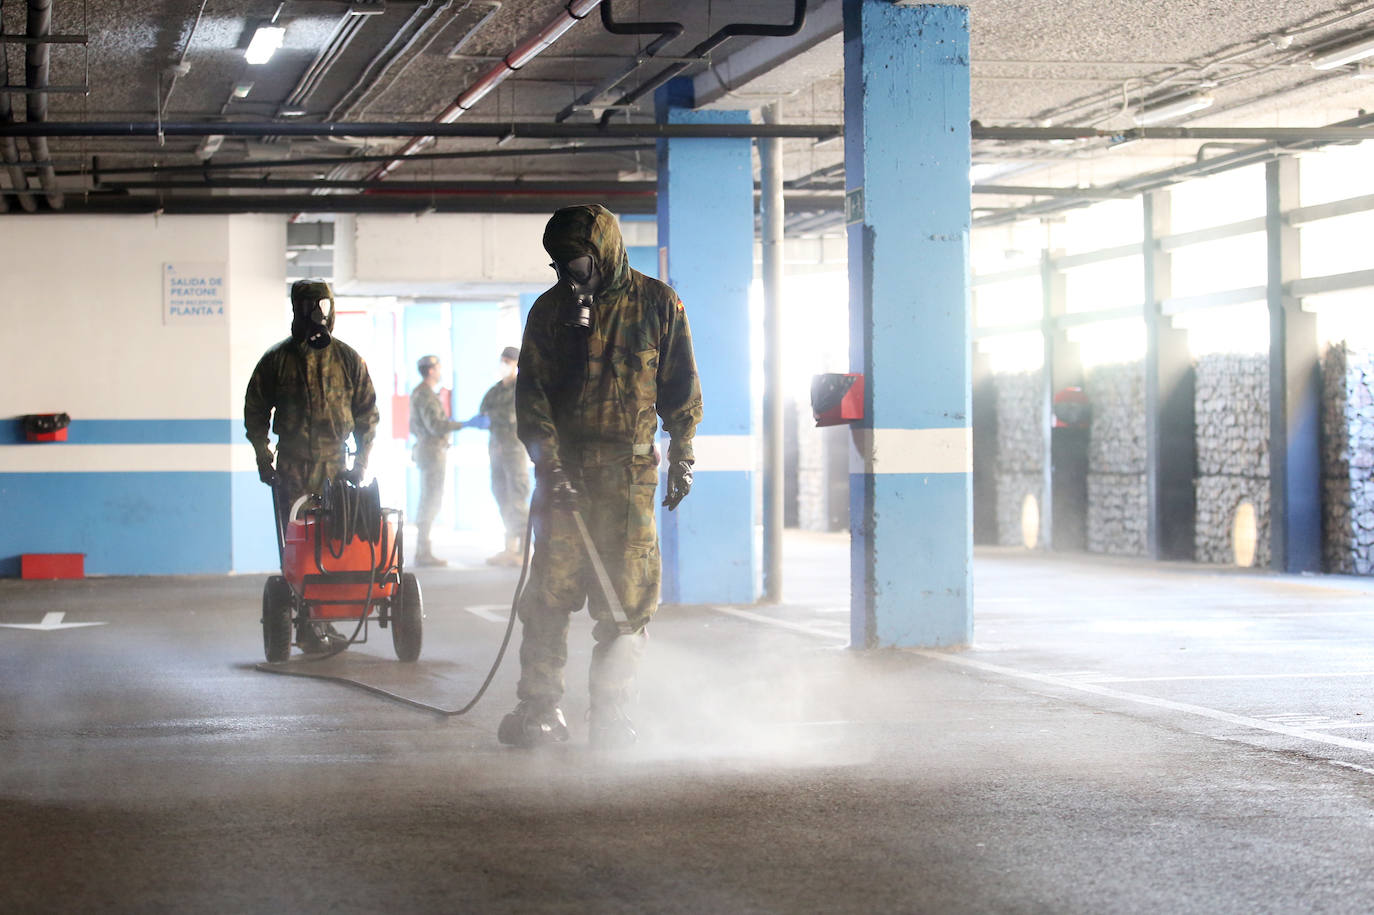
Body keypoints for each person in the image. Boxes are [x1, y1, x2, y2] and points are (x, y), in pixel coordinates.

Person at [498, 204, 701, 749]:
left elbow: (681, 386)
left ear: (605, 253)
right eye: (560, 263)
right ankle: (540, 710)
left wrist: (682, 453)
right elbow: (532, 396)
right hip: (563, 476)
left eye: (579, 262)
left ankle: (610, 715)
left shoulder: (658, 304)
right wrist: (548, 462)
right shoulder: (549, 312)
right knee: (549, 595)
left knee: (627, 601)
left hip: (629, 479)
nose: (570, 273)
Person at [244, 278, 379, 653]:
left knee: (334, 543)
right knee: (299, 547)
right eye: (310, 307)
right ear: (297, 311)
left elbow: (367, 415)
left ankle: (323, 617)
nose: (318, 315)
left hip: (337, 468)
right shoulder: (277, 361)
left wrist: (361, 462)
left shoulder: (348, 360)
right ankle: (306, 626)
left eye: (324, 306)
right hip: (293, 467)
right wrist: (263, 457)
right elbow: (255, 412)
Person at [474, 346, 531, 567]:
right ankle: (509, 548)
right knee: (501, 496)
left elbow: (511, 415)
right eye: (503, 359)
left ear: (517, 363)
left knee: (517, 499)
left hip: (514, 451)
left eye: (509, 360)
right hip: (496, 451)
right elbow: (482, 409)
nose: (504, 364)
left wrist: (492, 416)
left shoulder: (522, 389)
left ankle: (524, 550)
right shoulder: (496, 389)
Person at [409, 355, 464, 567]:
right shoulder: (424, 394)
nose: (440, 371)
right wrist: (462, 424)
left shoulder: (424, 393)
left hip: (430, 450)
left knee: (430, 499)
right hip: (432, 452)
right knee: (430, 500)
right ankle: (423, 551)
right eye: (439, 368)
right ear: (431, 370)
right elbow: (435, 426)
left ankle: (424, 550)